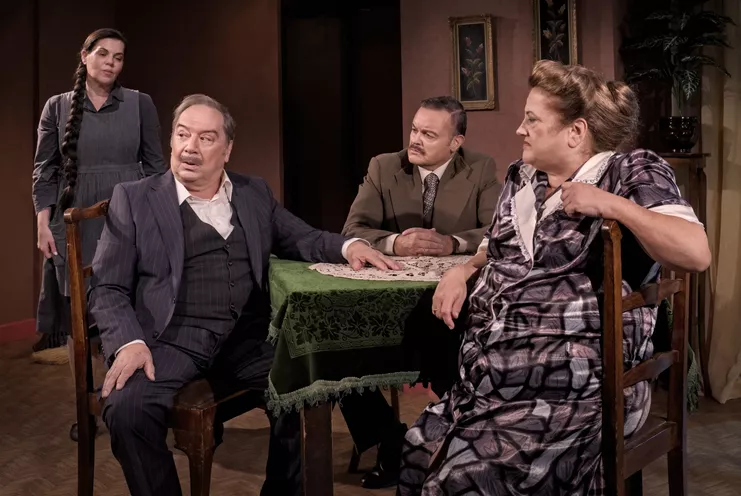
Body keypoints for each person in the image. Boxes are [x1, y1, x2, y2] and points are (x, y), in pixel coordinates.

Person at [397, 60, 711, 495]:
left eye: (532, 120)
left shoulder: (629, 170)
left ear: (576, 132)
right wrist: (464, 269)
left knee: (462, 480)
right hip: (491, 386)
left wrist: (609, 204)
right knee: (416, 452)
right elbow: (496, 245)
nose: (519, 130)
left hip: (577, 392)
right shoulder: (521, 177)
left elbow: (695, 252)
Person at [89, 93, 399, 496]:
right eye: (182, 134)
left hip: (247, 339)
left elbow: (301, 237)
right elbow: (107, 286)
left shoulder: (253, 193)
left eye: (205, 138)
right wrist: (129, 342)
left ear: (227, 149)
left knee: (307, 388)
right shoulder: (134, 198)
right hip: (169, 339)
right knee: (126, 411)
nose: (189, 147)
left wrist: (349, 246)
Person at [339, 96, 500, 489]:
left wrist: (453, 243)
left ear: (455, 143)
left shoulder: (480, 168)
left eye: (429, 134)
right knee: (337, 356)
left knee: (454, 352)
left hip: (449, 305)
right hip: (385, 302)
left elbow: (497, 230)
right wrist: (395, 242)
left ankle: (450, 442)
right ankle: (389, 440)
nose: (415, 140)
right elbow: (353, 229)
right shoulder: (383, 166)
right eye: (414, 129)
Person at [31, 28, 166, 365]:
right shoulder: (57, 107)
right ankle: (87, 384)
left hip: (128, 216)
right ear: (84, 56)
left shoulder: (140, 103)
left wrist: (159, 219)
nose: (110, 63)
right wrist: (42, 224)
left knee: (129, 299)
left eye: (118, 57)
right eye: (103, 54)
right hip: (75, 219)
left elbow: (156, 168)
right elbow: (45, 171)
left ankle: (126, 371)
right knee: (79, 312)